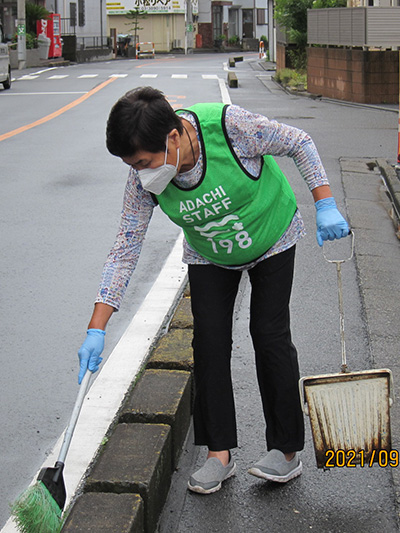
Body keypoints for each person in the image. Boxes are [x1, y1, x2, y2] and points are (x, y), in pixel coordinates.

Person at [77, 86, 349, 495]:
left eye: (144, 162)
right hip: (210, 253)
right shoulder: (144, 180)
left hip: (272, 236)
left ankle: (285, 450)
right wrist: (97, 326)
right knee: (208, 343)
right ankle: (219, 454)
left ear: (172, 137)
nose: (140, 173)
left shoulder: (229, 127)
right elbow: (125, 246)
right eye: (132, 165)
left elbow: (299, 141)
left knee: (269, 335)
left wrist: (324, 201)